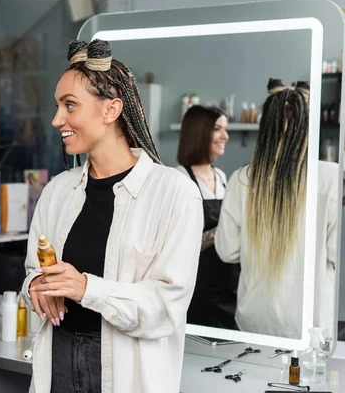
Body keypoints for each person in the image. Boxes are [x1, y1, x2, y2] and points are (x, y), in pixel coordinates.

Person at [21, 39, 203, 393]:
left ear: (111, 110)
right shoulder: (58, 191)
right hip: (57, 359)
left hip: (126, 373)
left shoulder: (173, 194)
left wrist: (86, 288)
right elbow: (34, 273)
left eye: (69, 105)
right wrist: (36, 288)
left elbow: (166, 307)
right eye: (57, 106)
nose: (57, 119)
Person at [216, 78, 338, 340]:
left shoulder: (241, 179)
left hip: (255, 321)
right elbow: (337, 254)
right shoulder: (330, 178)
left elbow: (227, 251)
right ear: (306, 128)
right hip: (310, 325)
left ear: (265, 128)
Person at [175, 105, 240, 330]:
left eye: (226, 129)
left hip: (229, 282)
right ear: (199, 132)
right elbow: (181, 243)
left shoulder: (222, 177)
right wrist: (227, 229)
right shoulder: (180, 179)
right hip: (199, 285)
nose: (225, 136)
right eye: (218, 129)